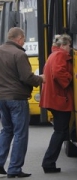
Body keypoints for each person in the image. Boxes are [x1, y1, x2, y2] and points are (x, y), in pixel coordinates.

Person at [0, 27, 45, 178]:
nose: (24, 42)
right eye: (23, 39)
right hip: (17, 99)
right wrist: (41, 79)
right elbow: (27, 77)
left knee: (7, 130)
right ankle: (14, 168)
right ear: (19, 39)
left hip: (2, 98)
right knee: (20, 133)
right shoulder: (19, 54)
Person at [39, 34, 73, 174]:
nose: (71, 48)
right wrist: (70, 79)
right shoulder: (60, 56)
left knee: (60, 131)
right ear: (64, 45)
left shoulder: (53, 55)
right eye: (70, 45)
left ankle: (49, 162)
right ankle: (48, 162)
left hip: (53, 98)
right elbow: (59, 73)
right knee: (60, 132)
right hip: (59, 99)